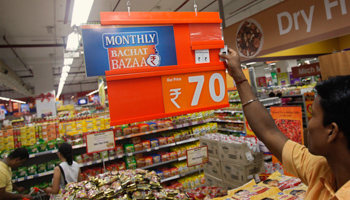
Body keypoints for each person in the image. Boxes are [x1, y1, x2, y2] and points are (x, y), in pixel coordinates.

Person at [219, 49, 350, 199]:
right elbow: (269, 132)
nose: (310, 123)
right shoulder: (322, 169)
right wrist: (238, 76)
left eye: (313, 115)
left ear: (331, 131)